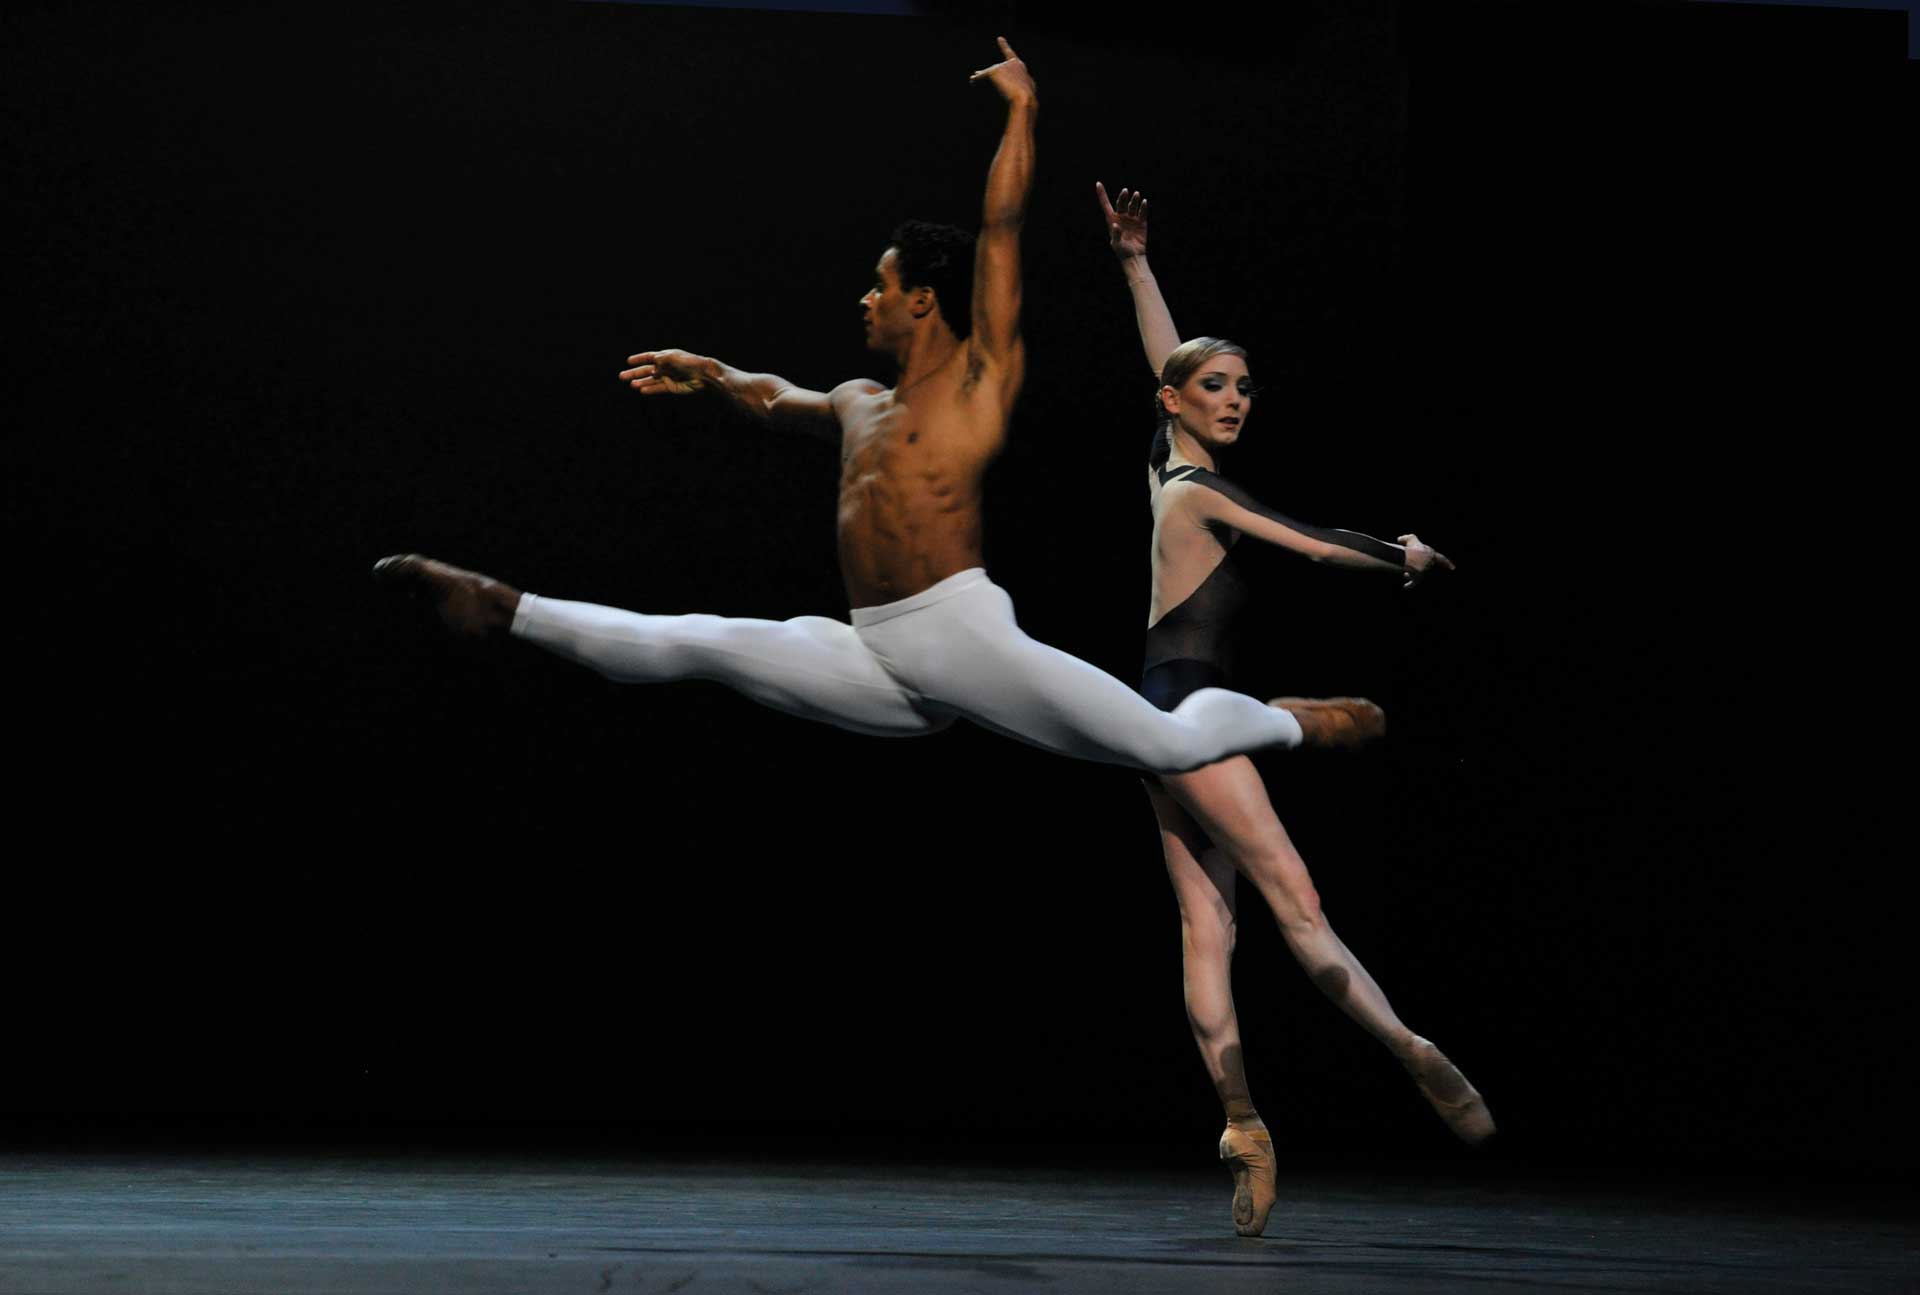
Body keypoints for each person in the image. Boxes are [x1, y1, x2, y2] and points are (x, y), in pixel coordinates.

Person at [375, 39, 1381, 777]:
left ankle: (1298, 721)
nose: (863, 298)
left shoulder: (982, 383)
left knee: (1164, 745)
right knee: (696, 643)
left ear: (920, 299)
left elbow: (1000, 230)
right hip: (876, 650)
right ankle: (501, 605)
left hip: (961, 637)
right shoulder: (859, 400)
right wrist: (710, 373)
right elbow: (774, 399)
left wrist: (1022, 113)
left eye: (878, 282)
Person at [1093, 181, 1493, 1238]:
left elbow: (1163, 368)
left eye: (1245, 386)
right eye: (1216, 386)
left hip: (1157, 710)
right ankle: (1408, 1046)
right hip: (1194, 709)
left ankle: (1242, 1123)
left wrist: (1137, 265)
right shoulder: (1199, 492)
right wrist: (1401, 556)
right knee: (1294, 901)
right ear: (1181, 402)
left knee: (1207, 924)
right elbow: (1316, 544)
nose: (1234, 398)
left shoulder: (1166, 464)